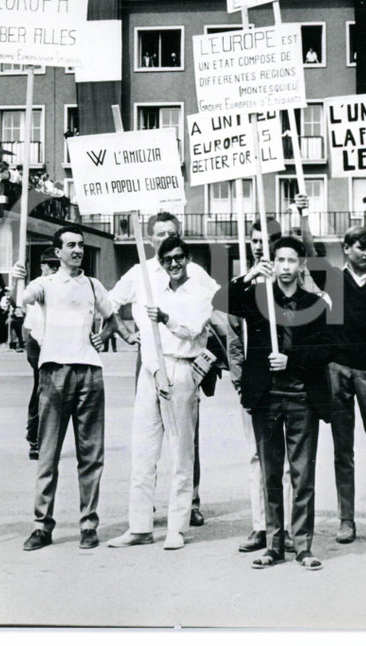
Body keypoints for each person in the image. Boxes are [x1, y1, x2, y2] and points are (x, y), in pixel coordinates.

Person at [213, 236, 331, 570]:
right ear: (273, 263)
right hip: (265, 396)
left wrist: (291, 360)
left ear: (302, 264)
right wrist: (250, 274)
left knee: (302, 474)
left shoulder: (316, 303)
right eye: (280, 260)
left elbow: (325, 349)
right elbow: (222, 299)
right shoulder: (258, 297)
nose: (285, 267)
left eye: (292, 260)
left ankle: (303, 546)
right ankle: (274, 544)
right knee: (269, 474)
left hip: (302, 397)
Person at [105, 211, 218, 529]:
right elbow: (110, 302)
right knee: (145, 440)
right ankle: (141, 519)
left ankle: (189, 504)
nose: (165, 238)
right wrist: (126, 333)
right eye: (159, 234)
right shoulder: (140, 271)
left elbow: (214, 307)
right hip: (150, 360)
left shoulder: (193, 272)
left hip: (184, 362)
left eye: (171, 232)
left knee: (184, 440)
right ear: (150, 239)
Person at [12, 225, 116, 551]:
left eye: (81, 245)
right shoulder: (45, 284)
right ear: (57, 252)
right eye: (70, 245)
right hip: (54, 373)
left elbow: (112, 317)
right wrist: (16, 277)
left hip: (89, 374)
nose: (77, 250)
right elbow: (21, 301)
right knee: (48, 455)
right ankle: (42, 526)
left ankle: (88, 525)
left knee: (90, 455)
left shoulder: (94, 285)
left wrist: (106, 334)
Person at [315, 226, 366, 546]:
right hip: (338, 371)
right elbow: (311, 254)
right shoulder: (333, 279)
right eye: (361, 248)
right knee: (342, 448)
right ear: (346, 248)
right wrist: (304, 213)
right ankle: (346, 519)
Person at [230, 216, 290, 554]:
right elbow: (229, 323)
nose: (258, 246)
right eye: (254, 240)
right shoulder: (244, 281)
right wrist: (239, 375)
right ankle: (260, 527)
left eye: (265, 240)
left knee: (290, 459)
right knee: (257, 456)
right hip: (255, 383)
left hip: (288, 379)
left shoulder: (288, 277)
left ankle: (291, 528)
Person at [23, 248, 61, 460]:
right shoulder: (38, 285)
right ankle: (35, 439)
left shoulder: (62, 285)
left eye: (55, 265)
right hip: (38, 343)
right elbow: (23, 302)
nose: (52, 269)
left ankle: (48, 438)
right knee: (42, 389)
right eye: (49, 265)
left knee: (56, 393)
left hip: (56, 343)